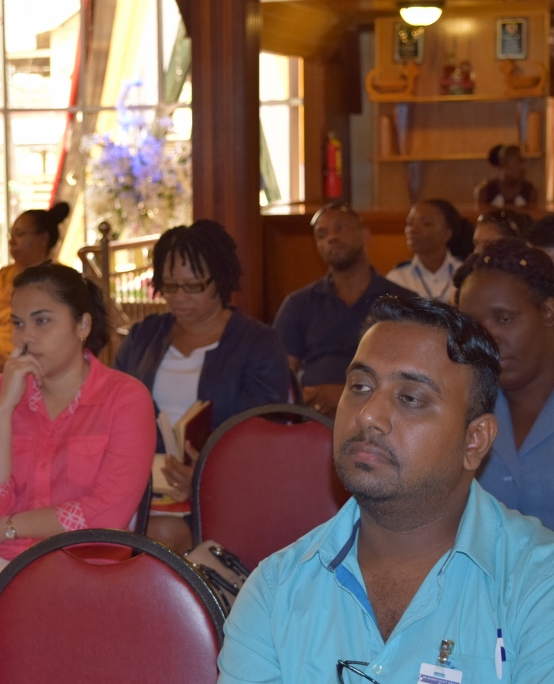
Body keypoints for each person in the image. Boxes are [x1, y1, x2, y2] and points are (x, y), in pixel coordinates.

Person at [218, 295, 554, 682]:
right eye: (360, 386)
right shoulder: (277, 590)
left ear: (474, 440)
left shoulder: (535, 584)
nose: (369, 414)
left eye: (410, 398)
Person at [0, 263, 155, 684]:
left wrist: (10, 528)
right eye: (18, 323)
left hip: (88, 576)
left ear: (83, 325)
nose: (25, 338)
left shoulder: (125, 399)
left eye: (43, 321)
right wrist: (4, 407)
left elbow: (103, 516)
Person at [115, 220, 289, 552]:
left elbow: (263, 435)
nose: (178, 298)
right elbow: (111, 412)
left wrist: (205, 474)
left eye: (193, 286)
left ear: (220, 281)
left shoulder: (256, 343)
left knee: (159, 536)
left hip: (221, 489)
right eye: (169, 286)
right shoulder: (143, 337)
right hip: (142, 484)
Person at [274, 202, 412, 418]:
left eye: (340, 228)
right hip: (313, 418)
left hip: (383, 415)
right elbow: (281, 374)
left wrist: (349, 395)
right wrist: (302, 397)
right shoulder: (298, 304)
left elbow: (415, 371)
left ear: (365, 234)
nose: (331, 238)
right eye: (322, 234)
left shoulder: (402, 301)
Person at [455, 238, 554, 529]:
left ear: (548, 312)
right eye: (475, 325)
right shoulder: (461, 404)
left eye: (504, 319)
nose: (488, 338)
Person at [0, 202, 69, 376]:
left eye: (20, 234)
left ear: (43, 239)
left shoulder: (61, 282)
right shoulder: (1, 279)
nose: (12, 241)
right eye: (11, 235)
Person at [386, 199, 465, 302]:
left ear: (446, 234)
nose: (413, 230)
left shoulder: (465, 273)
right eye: (409, 223)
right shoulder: (397, 278)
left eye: (426, 224)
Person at [474, 143, 535, 210]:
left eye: (523, 163)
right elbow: (479, 217)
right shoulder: (485, 191)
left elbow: (534, 217)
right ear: (503, 165)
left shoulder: (530, 191)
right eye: (518, 162)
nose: (523, 168)